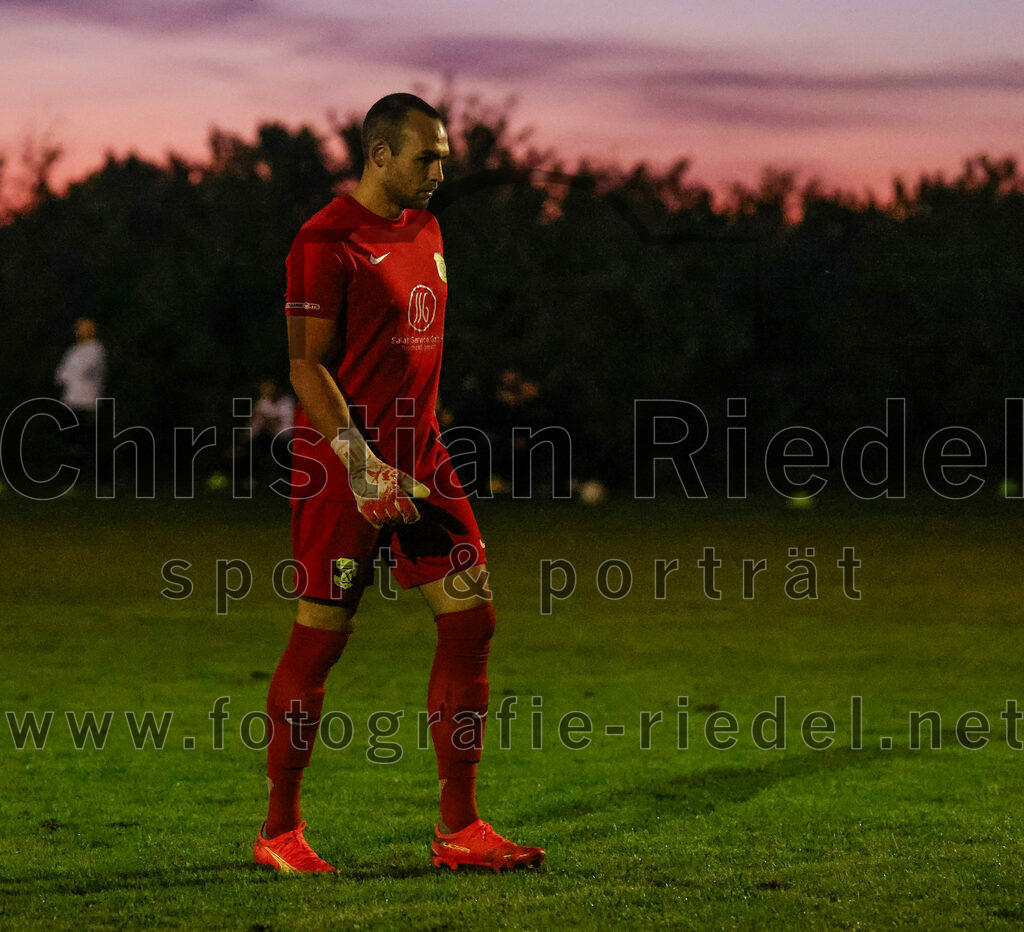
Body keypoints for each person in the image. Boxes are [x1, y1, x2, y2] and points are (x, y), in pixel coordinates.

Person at [253, 93, 545, 874]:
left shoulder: (427, 228)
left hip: (424, 459)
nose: (439, 171)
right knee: (321, 640)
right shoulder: (324, 239)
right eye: (427, 157)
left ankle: (460, 828)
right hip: (340, 466)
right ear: (379, 154)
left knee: (472, 621)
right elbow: (305, 366)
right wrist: (359, 460)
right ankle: (279, 831)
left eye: (443, 156)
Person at [54, 317, 106, 484]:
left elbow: (83, 370)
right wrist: (68, 375)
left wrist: (69, 375)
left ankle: (99, 479)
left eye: (83, 328)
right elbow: (60, 374)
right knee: (71, 441)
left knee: (88, 441)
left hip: (87, 402)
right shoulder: (74, 349)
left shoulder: (96, 349)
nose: (78, 331)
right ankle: (71, 477)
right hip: (71, 400)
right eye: (78, 328)